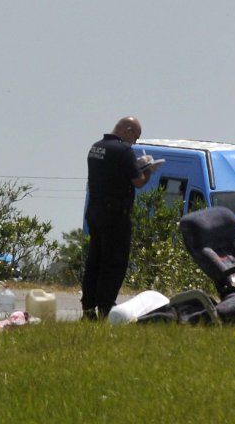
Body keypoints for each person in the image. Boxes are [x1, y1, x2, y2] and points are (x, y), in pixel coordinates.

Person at [81, 116, 156, 319]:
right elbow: (138, 182)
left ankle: (88, 308)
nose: (135, 142)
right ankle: (106, 308)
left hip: (95, 211)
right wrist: (148, 169)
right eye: (136, 137)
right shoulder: (123, 151)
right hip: (115, 215)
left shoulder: (96, 147)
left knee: (95, 260)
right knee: (114, 263)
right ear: (128, 130)